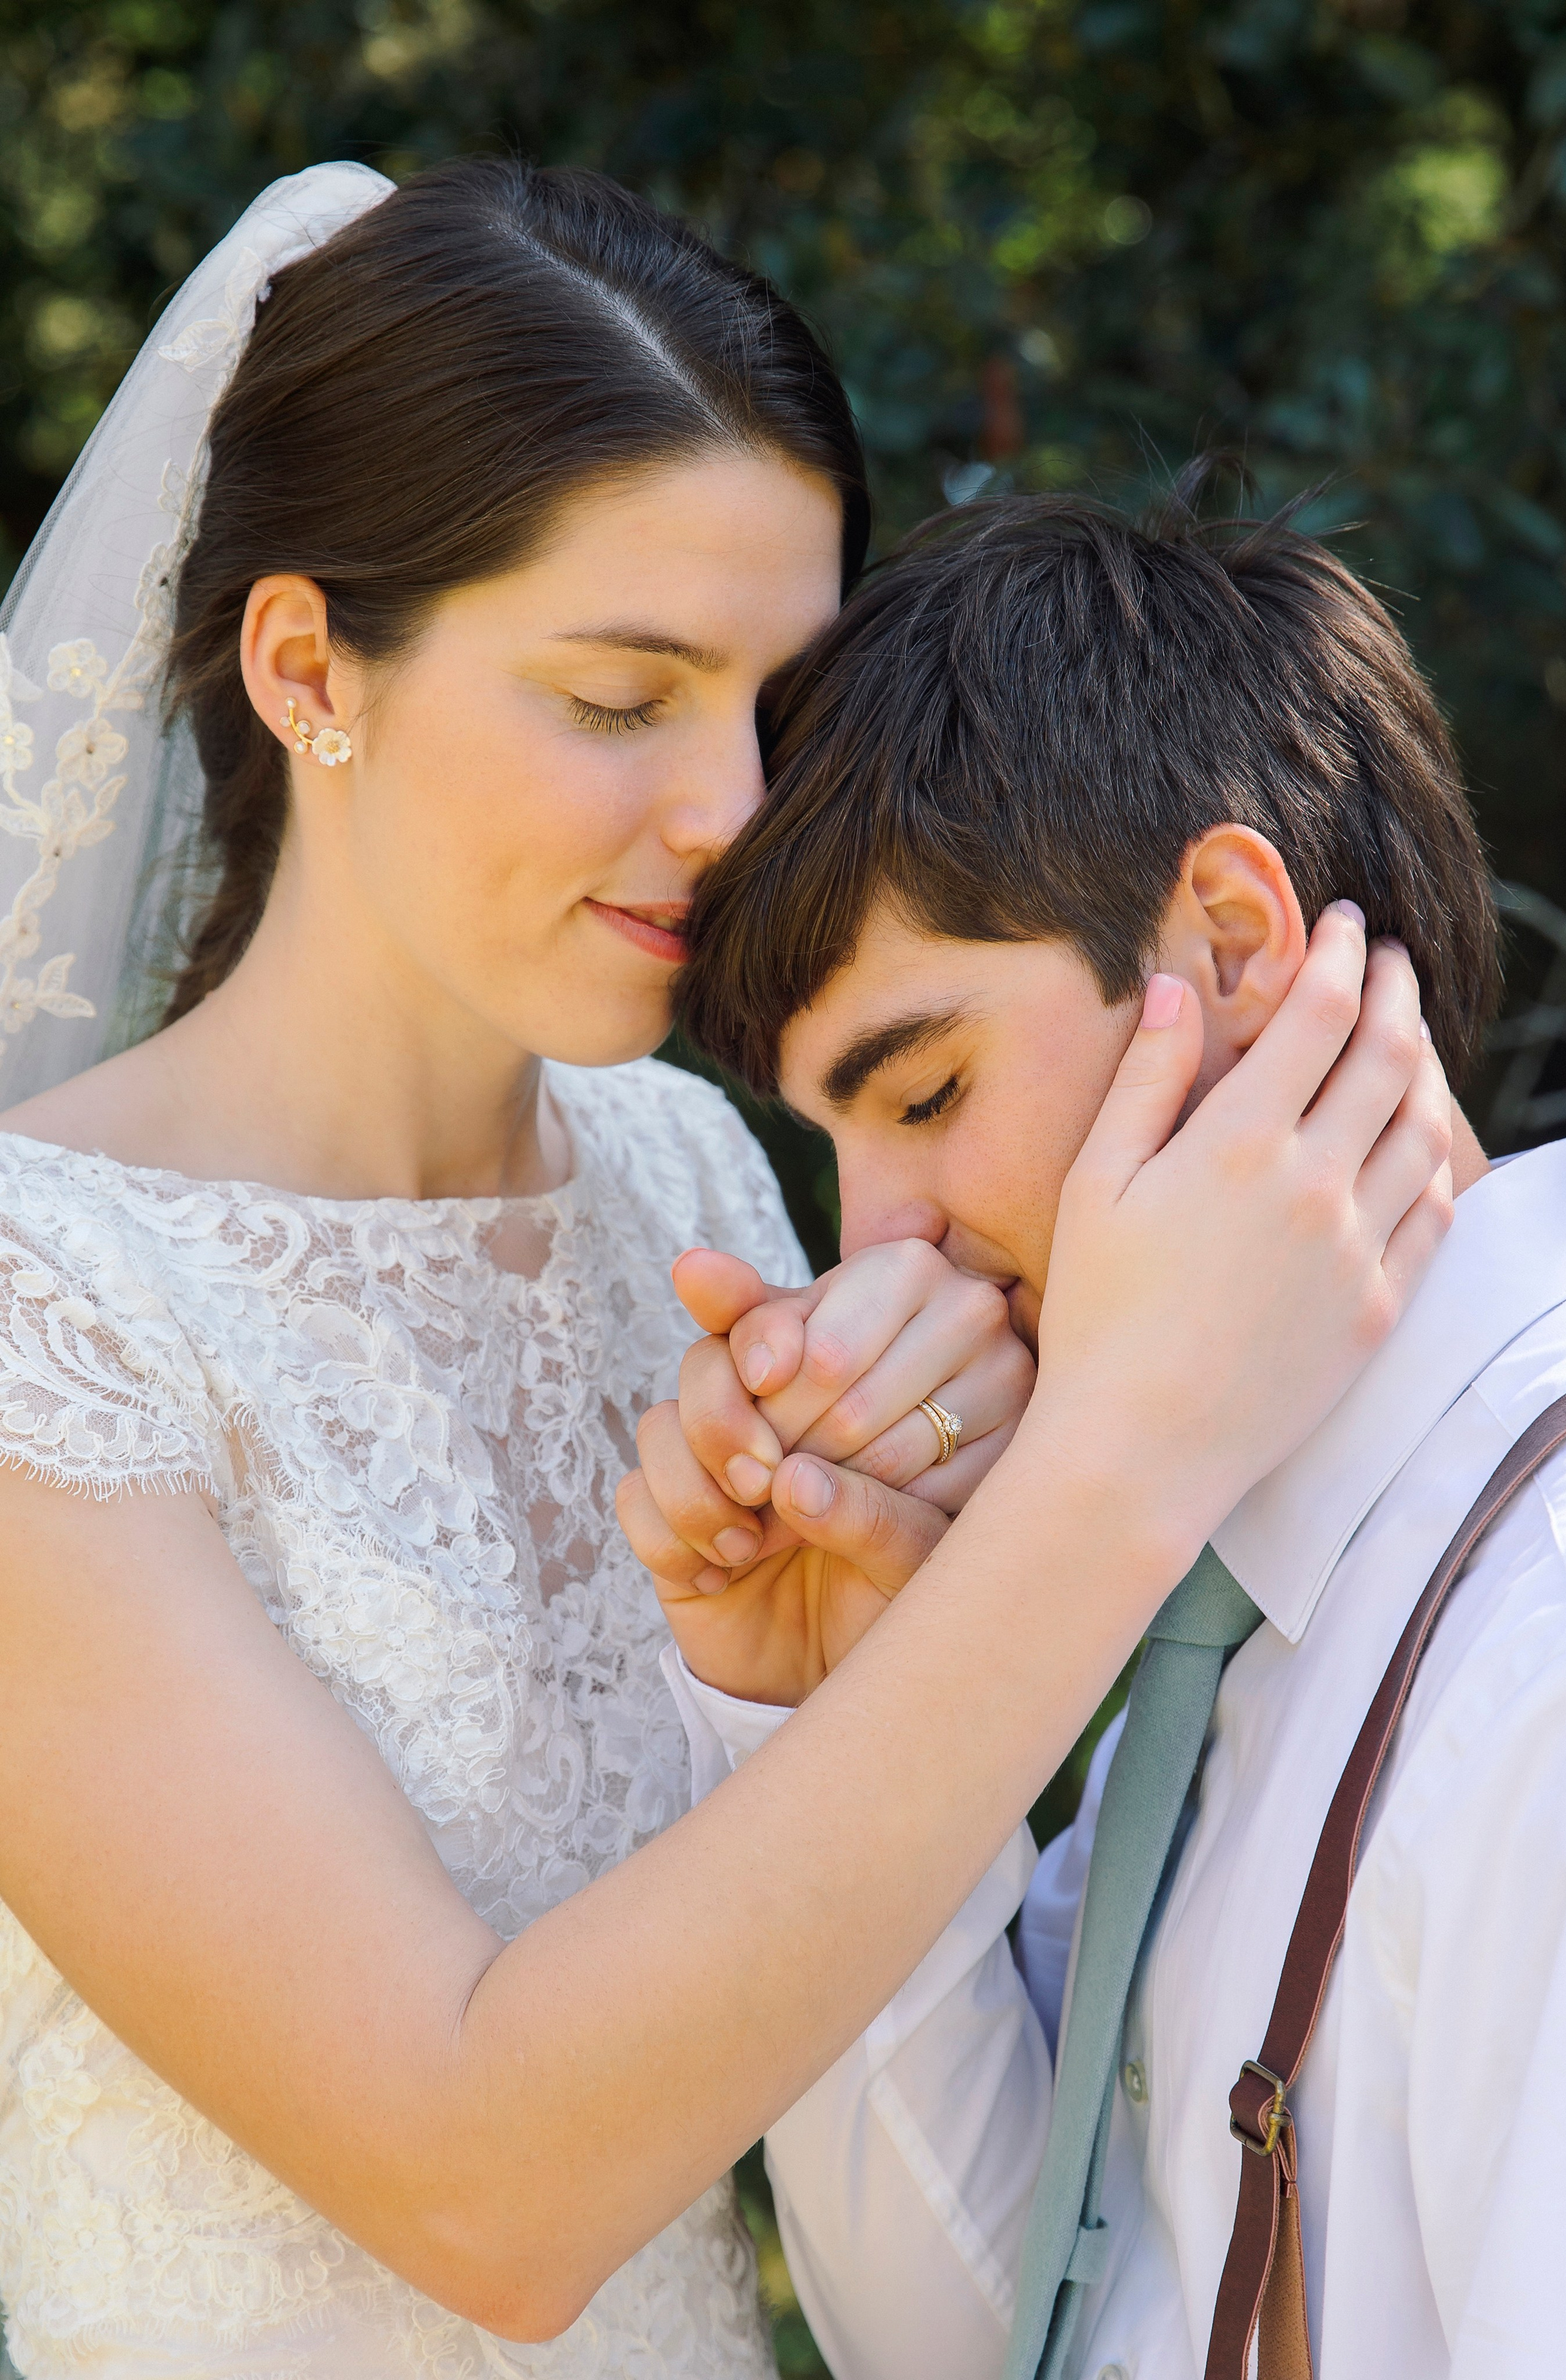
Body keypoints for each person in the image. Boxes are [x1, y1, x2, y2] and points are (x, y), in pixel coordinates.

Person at [0, 152, 1446, 2380]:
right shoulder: (46, 1314)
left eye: (774, 708)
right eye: (619, 697)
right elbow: (486, 2193)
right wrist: (1132, 1449)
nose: (731, 813)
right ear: (306, 669)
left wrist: (811, 1681)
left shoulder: (694, 1181)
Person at [634, 490, 1566, 2380]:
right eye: (838, 1150)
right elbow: (992, 2334)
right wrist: (837, 1706)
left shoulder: (1550, 1632)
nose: (880, 1243)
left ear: (1230, 941)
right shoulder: (1227, 1594)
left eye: (929, 1092)